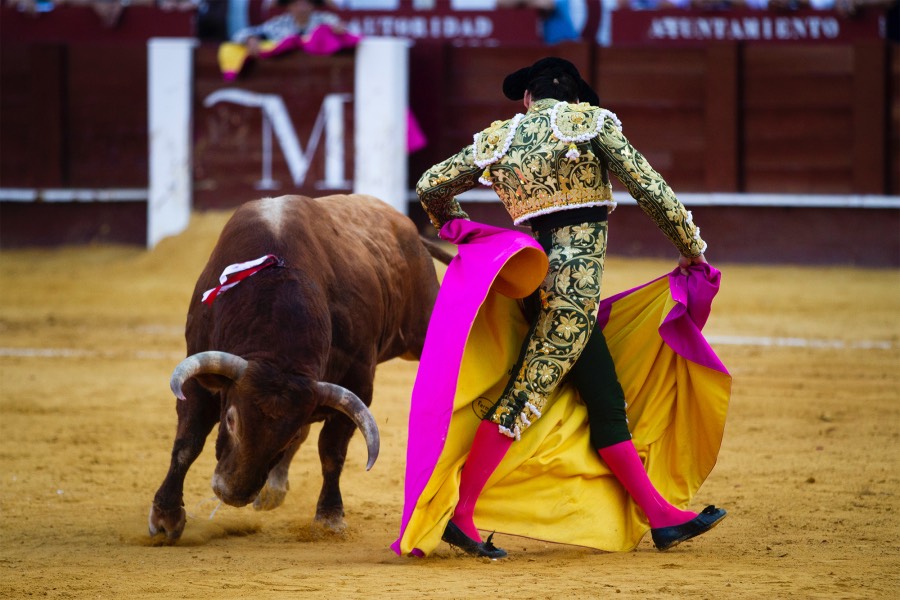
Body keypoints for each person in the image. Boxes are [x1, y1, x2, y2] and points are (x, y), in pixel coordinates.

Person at [415, 57, 727, 558]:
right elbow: (650, 190)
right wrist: (692, 248)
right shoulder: (590, 124)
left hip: (532, 283)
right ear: (575, 99)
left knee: (605, 398)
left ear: (526, 98)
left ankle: (662, 517)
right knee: (526, 392)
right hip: (572, 295)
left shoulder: (500, 139)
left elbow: (432, 184)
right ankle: (463, 514)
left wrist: (464, 231)